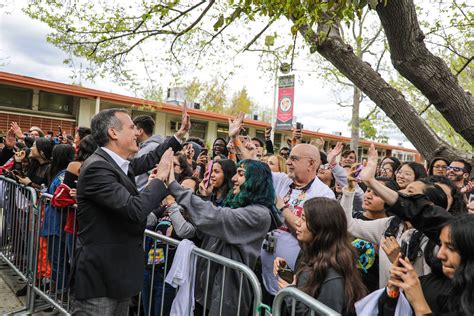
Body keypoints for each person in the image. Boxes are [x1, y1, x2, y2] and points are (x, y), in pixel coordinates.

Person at [71, 107, 189, 315]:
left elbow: (147, 160)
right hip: (100, 281)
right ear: (113, 133)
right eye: (132, 127)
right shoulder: (97, 168)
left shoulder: (116, 164)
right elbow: (134, 209)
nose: (137, 132)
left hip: (119, 277)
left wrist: (177, 138)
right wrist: (160, 178)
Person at [359, 144, 474, 314]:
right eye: (441, 244)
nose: (440, 253)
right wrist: (394, 289)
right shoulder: (429, 280)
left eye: (451, 247)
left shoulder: (463, 297)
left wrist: (419, 302)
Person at [154, 155, 274, 316]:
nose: (234, 178)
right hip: (207, 290)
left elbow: (215, 217)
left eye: (240, 173)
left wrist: (173, 185)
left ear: (256, 180)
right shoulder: (237, 205)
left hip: (226, 295)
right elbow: (204, 230)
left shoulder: (258, 214)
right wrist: (204, 197)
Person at [274, 197, 367, 315]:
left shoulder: (334, 275)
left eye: (304, 219)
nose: (297, 222)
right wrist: (288, 275)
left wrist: (291, 294)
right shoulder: (308, 252)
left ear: (321, 227)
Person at [41, 144, 75, 296]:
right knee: (57, 260)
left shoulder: (63, 175)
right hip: (57, 223)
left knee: (58, 261)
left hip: (57, 224)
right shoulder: (62, 174)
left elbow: (59, 198)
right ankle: (59, 290)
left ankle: (61, 293)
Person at [133, 115, 163, 191]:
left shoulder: (152, 148)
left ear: (140, 131)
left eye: (133, 128)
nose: (132, 132)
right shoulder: (144, 147)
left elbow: (155, 176)